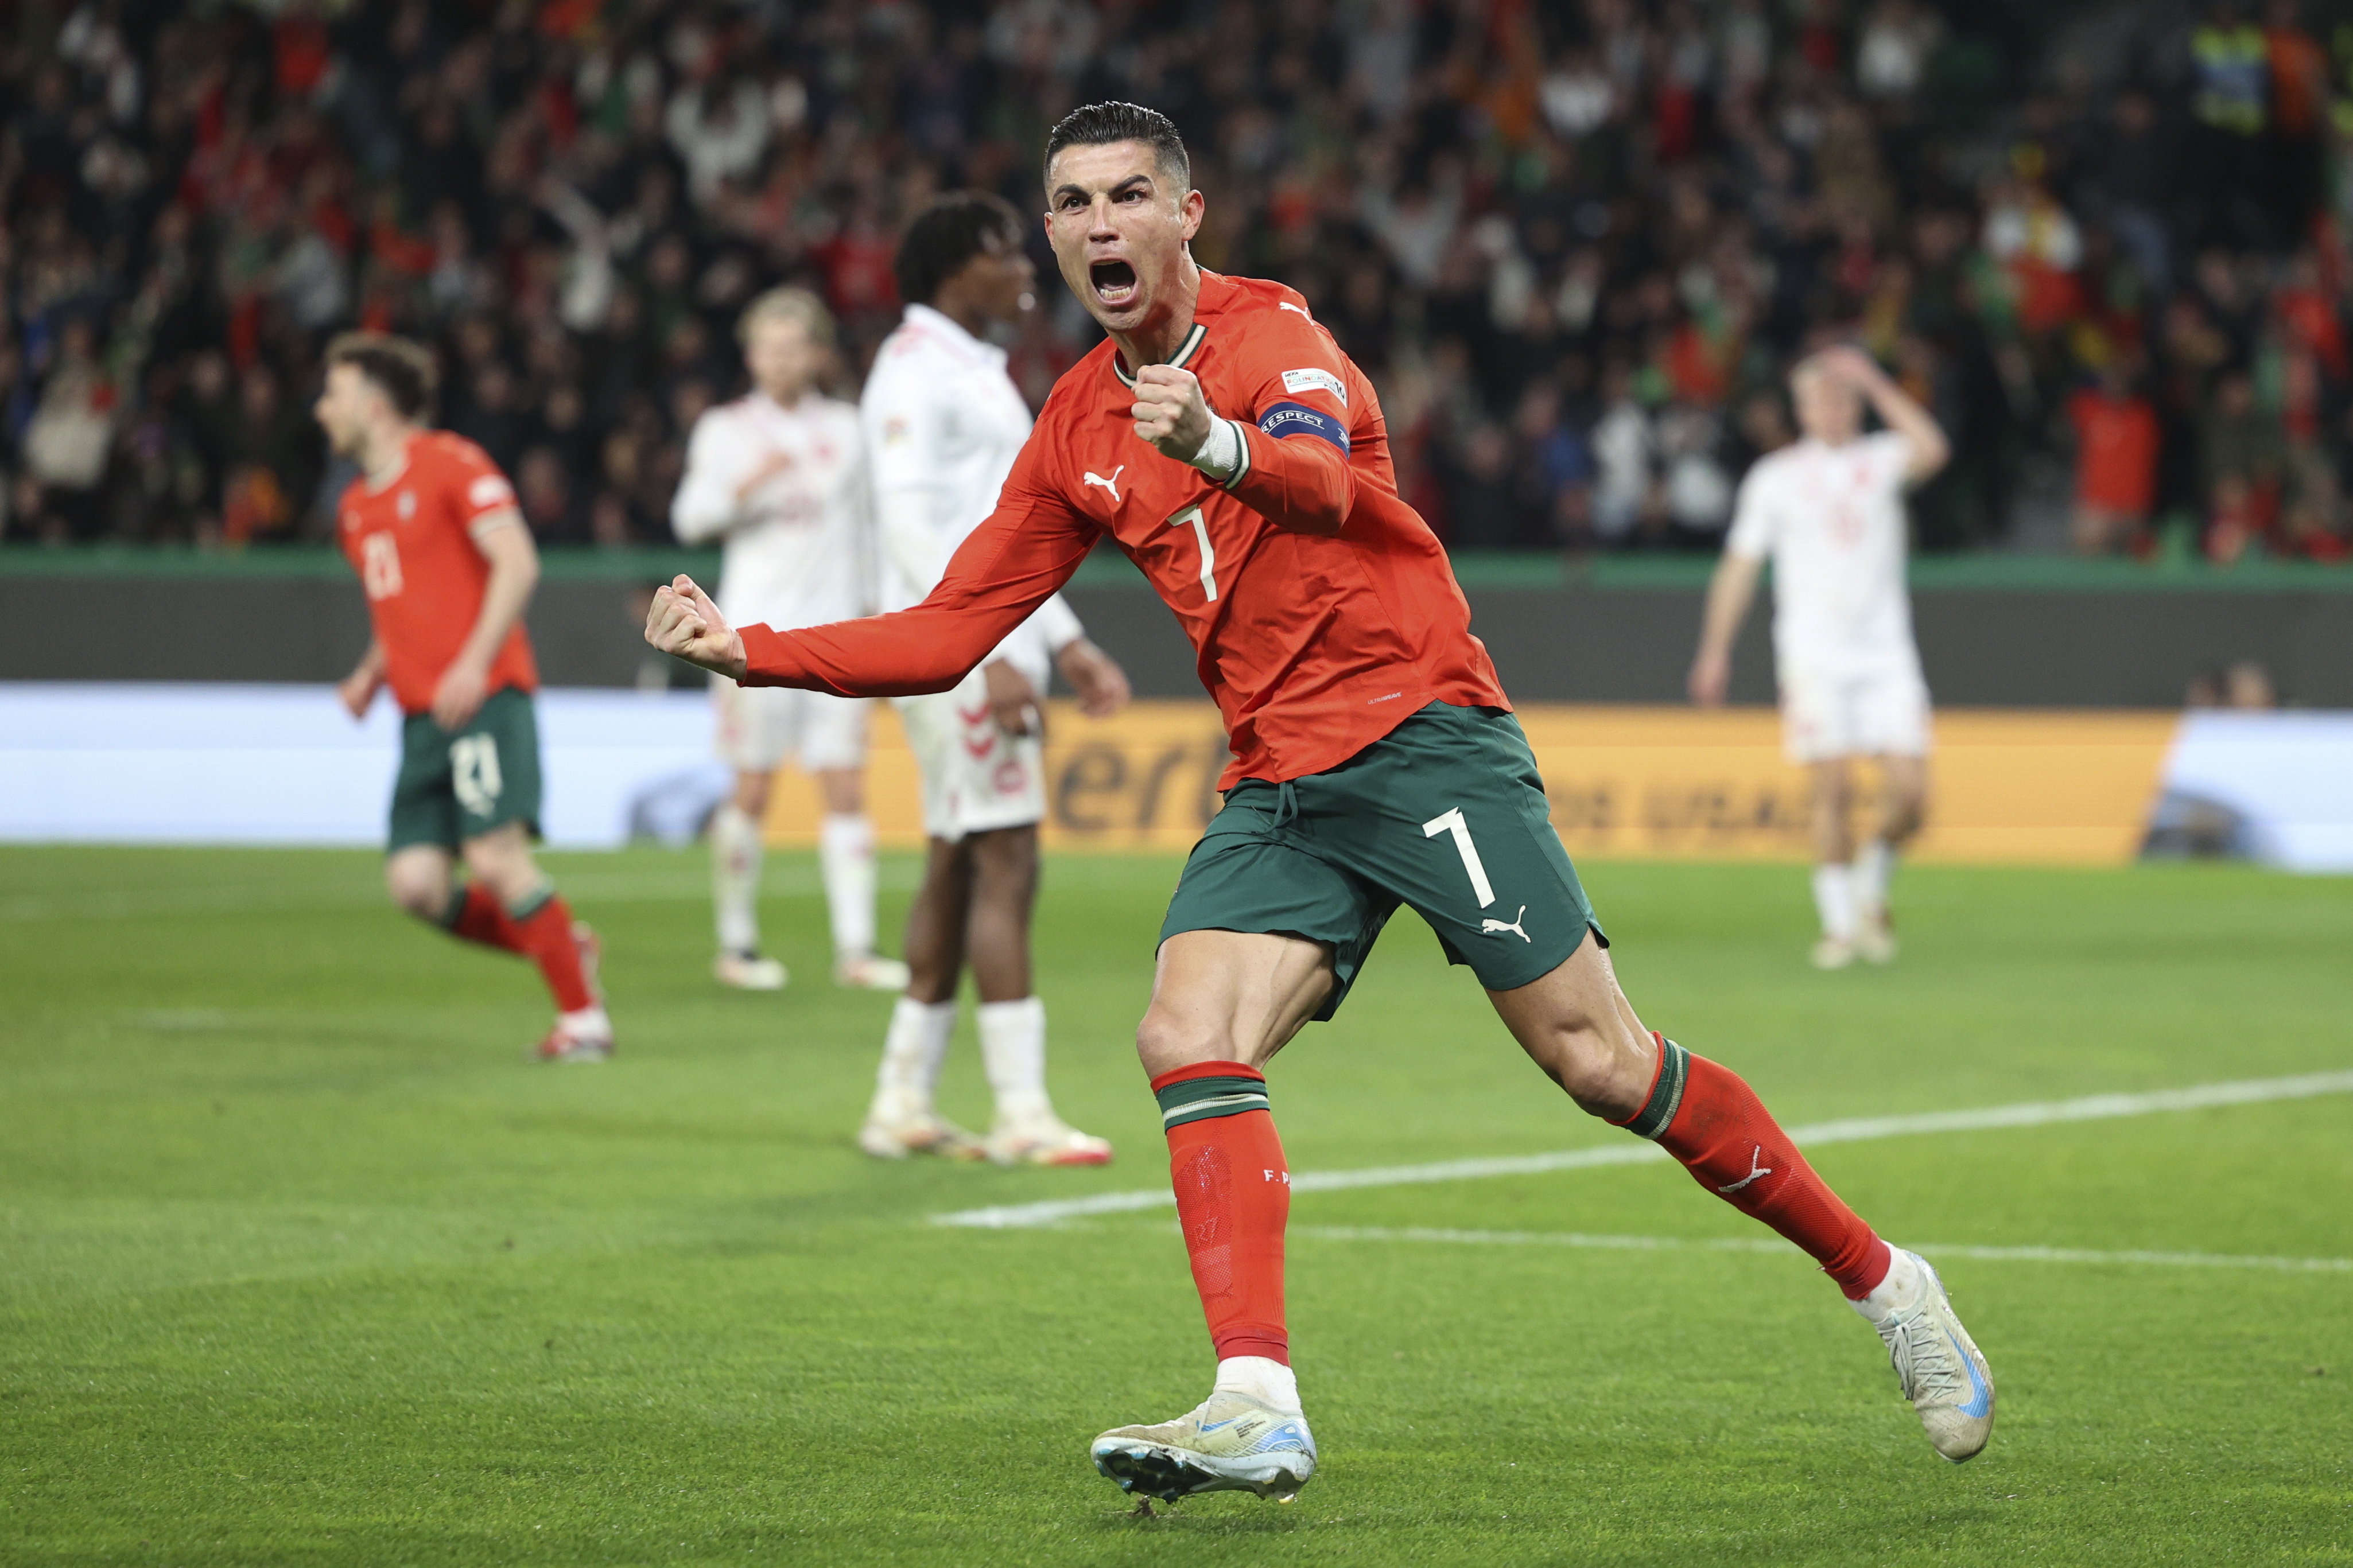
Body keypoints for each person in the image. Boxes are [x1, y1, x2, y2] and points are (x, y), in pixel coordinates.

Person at [647, 102, 1993, 1504]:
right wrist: (751, 647)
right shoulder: (1076, 424)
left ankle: (1886, 1281)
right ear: (1050, 234)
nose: (1101, 224)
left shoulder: (1273, 338)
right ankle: (1256, 1402)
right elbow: (946, 630)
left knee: (1600, 1062)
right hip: (1280, 779)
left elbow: (1321, 481)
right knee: (1185, 1030)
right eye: (1073, 203)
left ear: (1186, 213)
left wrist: (1215, 444)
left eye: (1127, 195)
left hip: (1422, 737)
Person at [855, 192, 1135, 1165]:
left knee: (961, 857)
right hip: (958, 652)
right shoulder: (912, 370)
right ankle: (1021, 1110)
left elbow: (1011, 530)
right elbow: (912, 524)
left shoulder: (970, 367)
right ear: (950, 269)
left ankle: (901, 1097)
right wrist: (989, 649)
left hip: (981, 640)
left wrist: (1066, 640)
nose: (1025, 267)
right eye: (1002, 252)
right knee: (1009, 855)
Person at [317, 332, 610, 1062]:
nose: (322, 410)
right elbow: (402, 605)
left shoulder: (452, 463)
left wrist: (473, 665)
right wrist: (370, 673)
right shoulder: (355, 507)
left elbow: (517, 561)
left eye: (333, 394)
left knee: (495, 857)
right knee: (415, 885)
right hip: (421, 716)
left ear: (373, 405)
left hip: (485, 698)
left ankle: (584, 1022)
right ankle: (564, 946)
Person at [670, 289, 907, 993]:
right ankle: (736, 946)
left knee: (844, 784)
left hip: (836, 633)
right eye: (768, 347)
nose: (780, 359)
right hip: (747, 638)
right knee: (751, 785)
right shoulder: (726, 430)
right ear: (751, 355)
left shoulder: (848, 426)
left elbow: (870, 526)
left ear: (816, 353)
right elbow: (690, 519)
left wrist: (878, 610)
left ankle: (856, 950)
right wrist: (748, 485)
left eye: (793, 345)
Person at [1690, 348, 1951, 969]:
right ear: (1801, 409)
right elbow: (1739, 567)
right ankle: (1839, 927)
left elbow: (1934, 449)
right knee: (1831, 784)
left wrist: (1876, 380)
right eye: (1819, 399)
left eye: (1842, 398)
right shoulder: (1775, 478)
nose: (1831, 410)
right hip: (1812, 655)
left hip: (1885, 654)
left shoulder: (1880, 460)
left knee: (1912, 795)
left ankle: (1872, 879)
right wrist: (1714, 650)